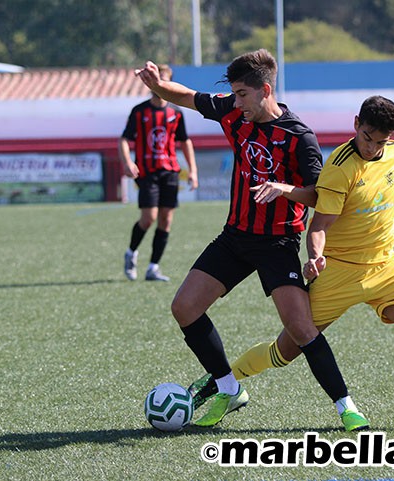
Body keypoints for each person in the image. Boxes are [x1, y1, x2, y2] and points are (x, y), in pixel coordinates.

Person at [190, 95, 394, 430]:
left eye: (380, 141)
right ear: (355, 125)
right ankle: (222, 380)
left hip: (385, 267)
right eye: (367, 137)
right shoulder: (338, 168)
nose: (372, 146)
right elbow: (318, 225)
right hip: (339, 273)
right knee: (286, 350)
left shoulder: (391, 151)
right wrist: (315, 257)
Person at [135, 49, 369, 431]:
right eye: (233, 94)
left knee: (301, 328)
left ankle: (347, 407)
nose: (236, 101)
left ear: (265, 90)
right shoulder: (232, 112)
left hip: (277, 243)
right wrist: (159, 85)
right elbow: (189, 98)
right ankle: (229, 389)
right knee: (184, 307)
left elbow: (318, 196)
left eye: (242, 94)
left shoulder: (299, 137)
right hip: (235, 237)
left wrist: (284, 189)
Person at [119, 64, 198, 282]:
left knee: (166, 219)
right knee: (149, 217)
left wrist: (193, 170)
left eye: (162, 78)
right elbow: (125, 139)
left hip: (170, 172)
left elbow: (185, 142)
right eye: (155, 77)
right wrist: (127, 162)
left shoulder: (176, 113)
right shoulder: (139, 111)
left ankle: (153, 267)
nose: (157, 82)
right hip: (147, 171)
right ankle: (131, 252)